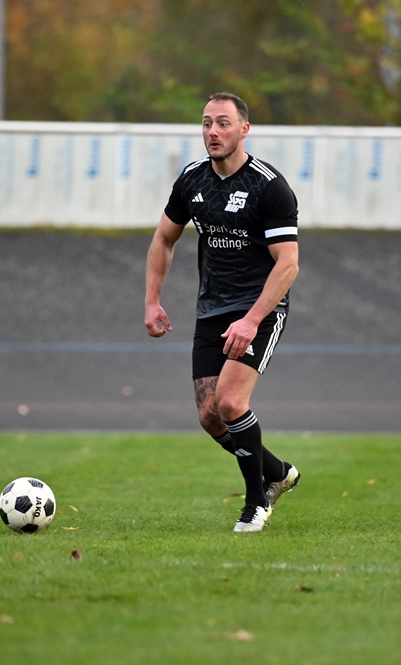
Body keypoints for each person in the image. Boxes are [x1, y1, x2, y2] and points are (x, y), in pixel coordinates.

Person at [144, 92, 301, 533]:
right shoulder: (192, 180)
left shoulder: (269, 186)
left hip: (260, 308)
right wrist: (152, 300)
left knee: (231, 402)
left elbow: (288, 264)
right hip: (212, 309)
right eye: (207, 123)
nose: (212, 132)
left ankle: (256, 503)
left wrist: (251, 321)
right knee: (210, 415)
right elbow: (164, 238)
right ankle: (278, 472)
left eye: (223, 123)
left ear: (244, 129)